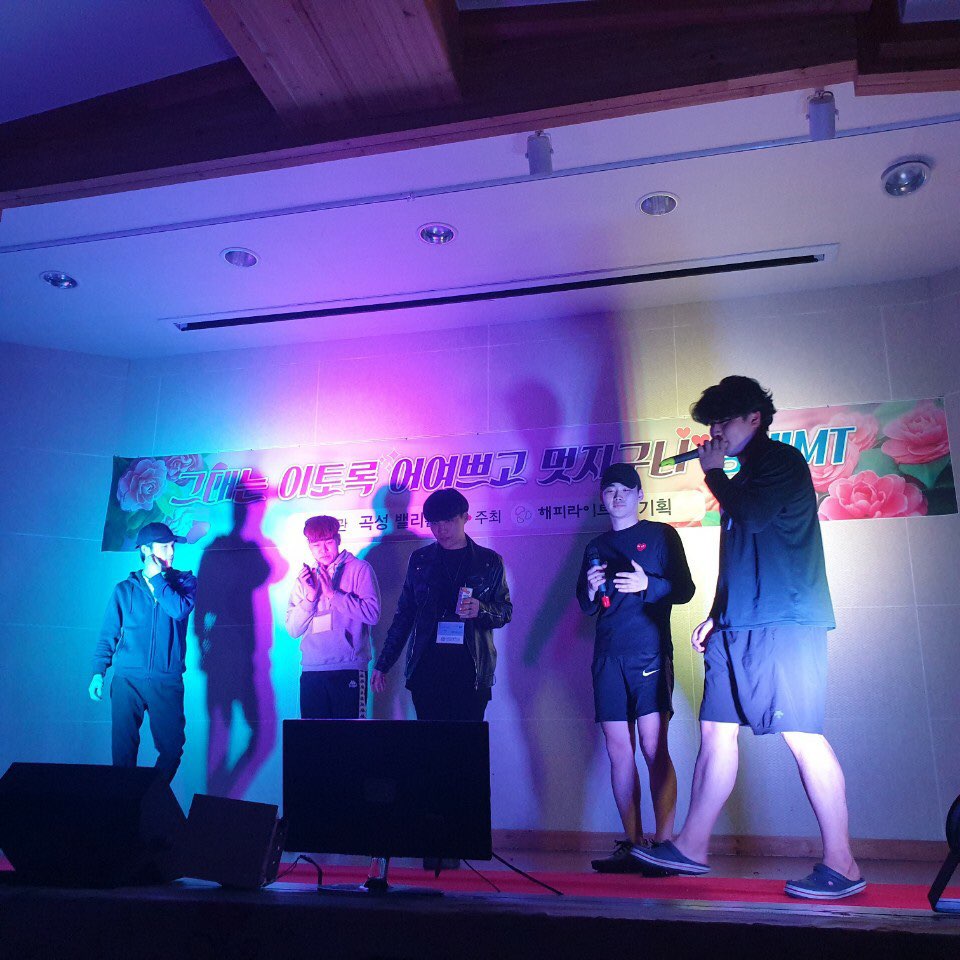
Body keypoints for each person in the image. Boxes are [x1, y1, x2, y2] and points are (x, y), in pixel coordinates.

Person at [632, 376, 865, 900]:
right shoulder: (741, 478)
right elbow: (740, 554)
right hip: (738, 623)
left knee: (802, 734)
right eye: (710, 423)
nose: (714, 432)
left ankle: (843, 862)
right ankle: (691, 847)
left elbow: (754, 517)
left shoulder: (781, 462)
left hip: (784, 623)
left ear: (754, 418)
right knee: (716, 730)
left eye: (723, 421)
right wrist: (718, 613)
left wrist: (714, 473)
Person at [577, 463, 695, 873]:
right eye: (610, 490)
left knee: (653, 746)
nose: (617, 496)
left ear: (640, 495)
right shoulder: (595, 545)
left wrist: (649, 585)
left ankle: (664, 845)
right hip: (608, 657)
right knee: (618, 751)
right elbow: (586, 605)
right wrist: (590, 588)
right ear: (602, 497)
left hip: (649, 653)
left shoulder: (662, 535)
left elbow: (685, 589)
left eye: (625, 490)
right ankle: (633, 843)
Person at [371, 488, 512, 722]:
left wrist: (481, 609)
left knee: (467, 741)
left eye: (448, 521)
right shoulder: (420, 560)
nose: (441, 530)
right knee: (431, 741)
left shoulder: (488, 561)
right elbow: (404, 615)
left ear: (465, 517)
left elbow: (505, 612)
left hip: (471, 671)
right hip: (427, 671)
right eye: (434, 523)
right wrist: (384, 663)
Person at [88, 522, 197, 780]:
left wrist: (157, 579)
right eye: (164, 546)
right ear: (146, 550)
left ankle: (148, 798)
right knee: (123, 754)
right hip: (127, 681)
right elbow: (108, 634)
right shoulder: (124, 590)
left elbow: (179, 610)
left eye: (172, 546)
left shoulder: (185, 582)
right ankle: (125, 802)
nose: (171, 552)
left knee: (172, 749)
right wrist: (98, 672)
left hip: (166, 680)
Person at [286, 515, 381, 719]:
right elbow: (293, 630)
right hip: (312, 669)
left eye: (328, 542)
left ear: (338, 539)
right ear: (309, 546)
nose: (323, 550)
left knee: (348, 736)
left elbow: (372, 614)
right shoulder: (305, 578)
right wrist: (310, 598)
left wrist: (332, 595)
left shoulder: (359, 569)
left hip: (348, 667)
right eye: (316, 545)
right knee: (313, 737)